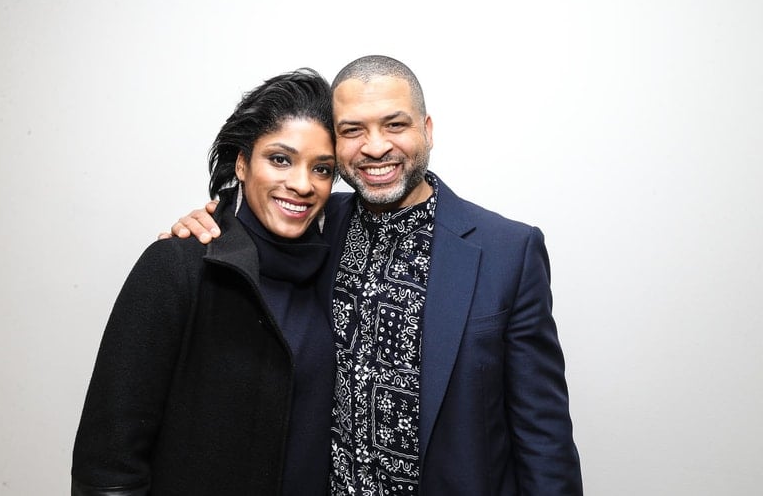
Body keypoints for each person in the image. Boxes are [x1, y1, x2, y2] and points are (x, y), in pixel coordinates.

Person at [168, 55, 583, 495]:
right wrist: (208, 224)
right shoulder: (314, 220)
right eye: (352, 131)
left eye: (395, 125)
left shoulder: (508, 251)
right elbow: (256, 210)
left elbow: (543, 436)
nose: (375, 147)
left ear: (427, 129)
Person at [72, 68, 340, 495]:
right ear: (242, 162)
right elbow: (107, 464)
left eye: (323, 169)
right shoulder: (178, 266)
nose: (302, 184)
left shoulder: (337, 268)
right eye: (280, 159)